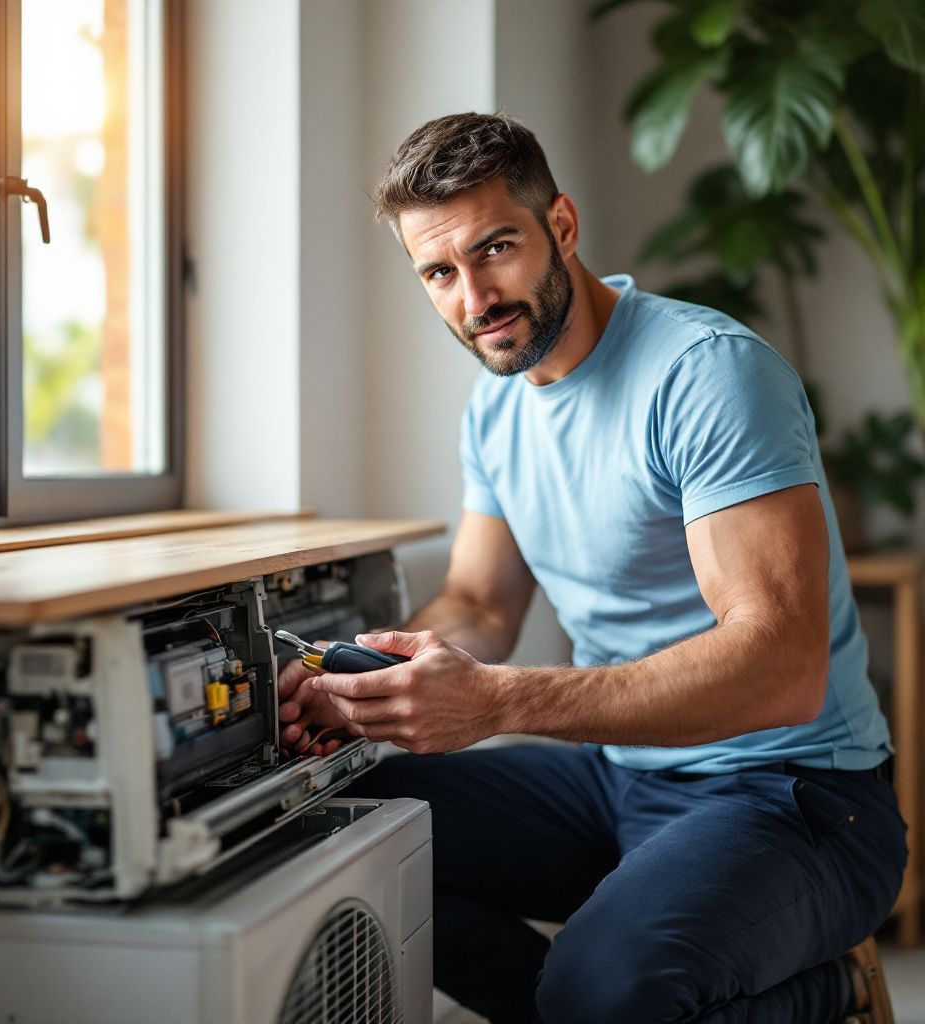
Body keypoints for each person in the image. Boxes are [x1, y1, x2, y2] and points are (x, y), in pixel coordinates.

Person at [277, 112, 907, 1024]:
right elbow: (481, 604)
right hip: (620, 778)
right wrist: (371, 679)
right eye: (439, 273)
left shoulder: (705, 373)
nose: (475, 298)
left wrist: (495, 702)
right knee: (340, 824)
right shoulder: (496, 412)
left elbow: (783, 666)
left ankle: (824, 992)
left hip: (797, 795)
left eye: (496, 249)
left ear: (561, 227)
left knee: (600, 992)